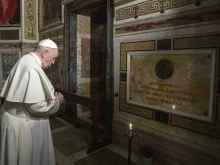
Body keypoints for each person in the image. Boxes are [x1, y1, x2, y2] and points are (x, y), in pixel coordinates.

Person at [0, 39, 64, 165]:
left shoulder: (26, 59)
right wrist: (56, 101)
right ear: (45, 53)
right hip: (21, 125)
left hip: (13, 118)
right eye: (53, 58)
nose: (53, 62)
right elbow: (37, 107)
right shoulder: (32, 68)